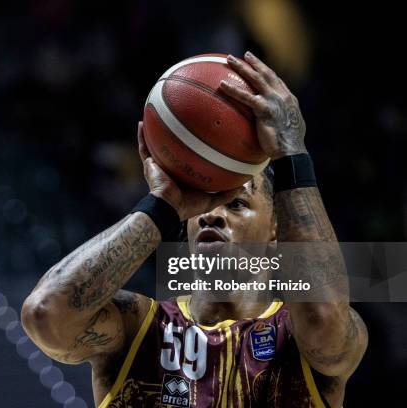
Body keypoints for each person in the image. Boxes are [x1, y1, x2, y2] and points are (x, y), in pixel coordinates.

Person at [21, 52, 367, 407]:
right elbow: (45, 314)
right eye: (203, 205)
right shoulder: (139, 331)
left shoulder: (299, 336)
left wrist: (292, 152)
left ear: (277, 227)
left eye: (235, 204)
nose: (211, 216)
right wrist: (162, 206)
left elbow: (324, 319)